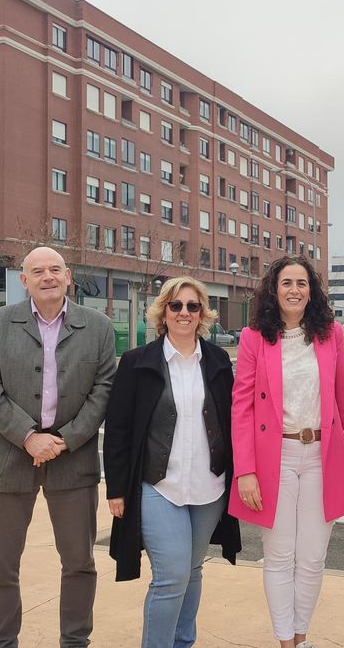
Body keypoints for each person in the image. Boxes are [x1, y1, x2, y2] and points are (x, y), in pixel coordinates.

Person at [0, 246, 117, 648]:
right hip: (7, 459)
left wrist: (65, 440)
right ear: (25, 281)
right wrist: (27, 437)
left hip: (74, 461)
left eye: (55, 269)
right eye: (38, 271)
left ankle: (75, 642)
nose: (48, 276)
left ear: (68, 275)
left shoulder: (99, 326)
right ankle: (0, 642)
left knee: (79, 563)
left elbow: (104, 390)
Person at [103, 277, 240, 648]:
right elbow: (118, 428)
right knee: (170, 576)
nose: (184, 313)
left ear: (202, 314)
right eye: (176, 305)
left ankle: (183, 642)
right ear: (164, 311)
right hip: (158, 486)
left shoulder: (217, 360)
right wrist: (116, 488)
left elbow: (232, 421)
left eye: (192, 306)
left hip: (209, 488)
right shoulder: (137, 362)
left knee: (192, 571)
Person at [229, 255, 344, 648]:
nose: (295, 290)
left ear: (312, 291)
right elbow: (242, 406)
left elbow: (343, 399)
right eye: (287, 283)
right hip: (276, 458)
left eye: (302, 283)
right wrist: (245, 470)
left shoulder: (330, 333)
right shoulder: (254, 338)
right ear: (274, 289)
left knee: (313, 557)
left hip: (322, 454)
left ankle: (301, 638)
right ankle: (286, 641)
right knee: (281, 556)